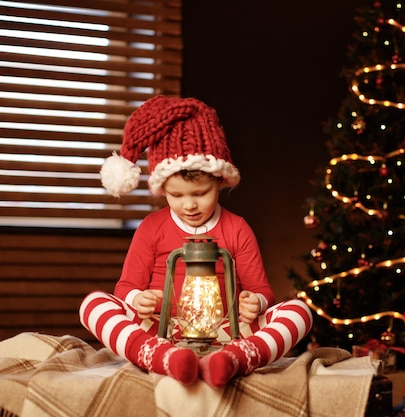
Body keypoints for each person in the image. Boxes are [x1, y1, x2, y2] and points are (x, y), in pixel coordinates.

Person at [79, 95, 313, 388]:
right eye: (176, 195)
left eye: (200, 193)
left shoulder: (237, 228)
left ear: (219, 181)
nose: (189, 205)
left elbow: (261, 290)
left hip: (226, 330)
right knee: (94, 305)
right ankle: (161, 357)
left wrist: (256, 302)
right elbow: (125, 287)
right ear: (162, 188)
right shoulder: (152, 228)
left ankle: (237, 359)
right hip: (160, 329)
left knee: (299, 311)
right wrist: (137, 299)